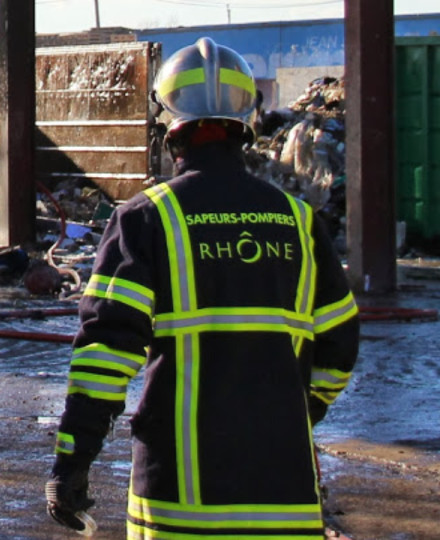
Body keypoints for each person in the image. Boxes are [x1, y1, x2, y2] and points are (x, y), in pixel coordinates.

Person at [45, 37, 359, 539]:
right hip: (286, 496)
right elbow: (339, 346)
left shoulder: (146, 218)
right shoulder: (298, 220)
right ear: (245, 126)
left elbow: (106, 353)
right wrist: (295, 416)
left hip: (179, 499)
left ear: (170, 129)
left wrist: (72, 461)